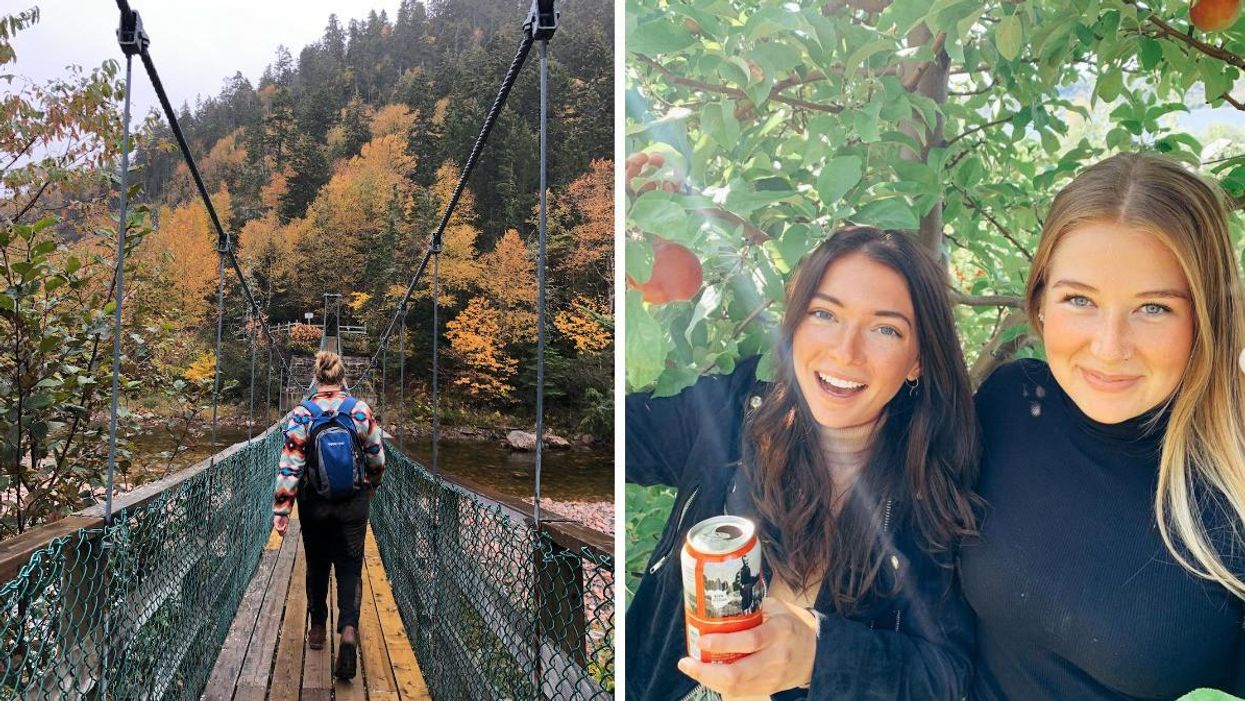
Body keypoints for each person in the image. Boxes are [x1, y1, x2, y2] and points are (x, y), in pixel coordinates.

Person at [626, 226, 982, 700]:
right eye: (824, 314)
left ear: (918, 359)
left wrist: (820, 658)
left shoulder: (934, 484)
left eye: (885, 329)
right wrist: (631, 244)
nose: (845, 351)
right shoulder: (730, 413)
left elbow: (947, 674)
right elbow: (617, 432)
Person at [961, 152, 1245, 699]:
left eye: (1154, 308)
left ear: (1206, 317)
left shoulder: (1232, 478)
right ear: (1040, 301)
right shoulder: (1010, 402)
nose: (1109, 347)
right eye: (1079, 299)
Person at [273, 350, 385, 681]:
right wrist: (372, 485)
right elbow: (377, 459)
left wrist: (282, 509)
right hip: (353, 502)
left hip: (314, 503)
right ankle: (348, 629)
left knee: (317, 564)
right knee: (350, 566)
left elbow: (291, 465)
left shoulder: (302, 413)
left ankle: (318, 628)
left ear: (316, 378)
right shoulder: (360, 411)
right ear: (343, 378)